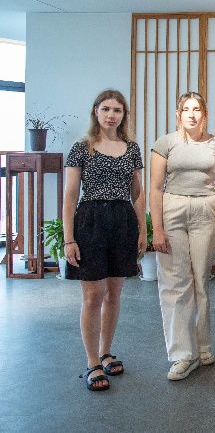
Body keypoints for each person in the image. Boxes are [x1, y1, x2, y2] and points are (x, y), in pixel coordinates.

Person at [63, 89, 146, 392]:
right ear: (95, 111)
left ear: (124, 115)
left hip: (122, 221)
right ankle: (91, 362)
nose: (111, 115)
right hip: (91, 220)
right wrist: (69, 238)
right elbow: (70, 196)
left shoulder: (132, 148)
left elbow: (137, 193)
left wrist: (142, 230)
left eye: (117, 110)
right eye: (106, 109)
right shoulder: (81, 148)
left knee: (114, 293)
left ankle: (105, 352)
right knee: (92, 296)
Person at [149, 92, 215, 380]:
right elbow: (155, 188)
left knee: (201, 281)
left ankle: (203, 346)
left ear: (204, 114)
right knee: (175, 282)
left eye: (197, 109)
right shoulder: (166, 143)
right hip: (173, 207)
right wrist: (157, 229)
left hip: (206, 208)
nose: (192, 114)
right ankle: (183, 354)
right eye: (186, 109)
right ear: (178, 114)